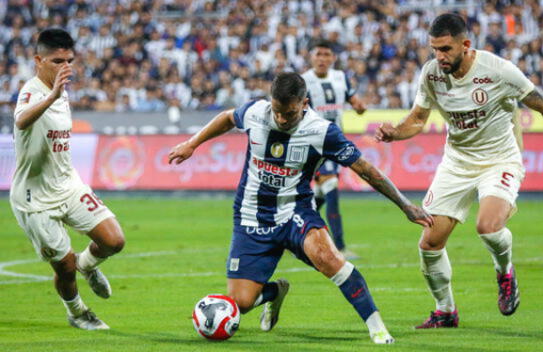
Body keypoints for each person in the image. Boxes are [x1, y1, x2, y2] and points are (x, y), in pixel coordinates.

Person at [168, 72, 433, 344]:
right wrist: (192, 144)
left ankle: (377, 328)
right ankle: (273, 293)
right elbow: (226, 117)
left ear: (304, 103)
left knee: (330, 259)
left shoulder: (322, 131)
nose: (282, 119)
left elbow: (366, 170)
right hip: (250, 215)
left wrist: (404, 204)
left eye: (290, 113)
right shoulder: (256, 112)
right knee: (242, 304)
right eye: (278, 111)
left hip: (295, 211)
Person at [375, 13, 543, 328]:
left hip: (499, 159)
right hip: (456, 162)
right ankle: (445, 311)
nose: (439, 57)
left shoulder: (498, 71)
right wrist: (395, 132)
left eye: (445, 49)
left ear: (466, 45)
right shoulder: (432, 74)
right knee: (429, 242)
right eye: (434, 49)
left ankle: (505, 272)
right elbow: (417, 118)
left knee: (488, 225)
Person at [10, 28, 125, 330]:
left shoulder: (62, 91)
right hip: (36, 199)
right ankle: (77, 312)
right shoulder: (32, 91)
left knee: (114, 240)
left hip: (68, 184)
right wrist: (51, 96)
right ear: (38, 60)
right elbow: (21, 119)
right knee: (64, 267)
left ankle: (88, 266)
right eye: (57, 60)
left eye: (69, 61)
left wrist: (57, 93)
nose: (64, 67)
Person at [302, 39, 367, 260]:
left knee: (320, 193)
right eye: (318, 54)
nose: (322, 59)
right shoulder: (304, 81)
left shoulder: (341, 78)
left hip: (336, 140)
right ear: (311, 57)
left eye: (326, 54)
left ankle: (295, 232)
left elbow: (354, 100)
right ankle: (339, 246)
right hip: (314, 142)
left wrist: (359, 106)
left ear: (333, 58)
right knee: (330, 185)